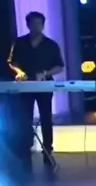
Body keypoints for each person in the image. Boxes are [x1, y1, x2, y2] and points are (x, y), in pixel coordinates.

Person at [10, 11, 65, 165]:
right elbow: (12, 62)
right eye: (33, 24)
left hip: (45, 85)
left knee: (46, 118)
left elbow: (59, 66)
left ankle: (47, 150)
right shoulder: (19, 43)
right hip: (25, 86)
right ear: (28, 25)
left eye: (39, 24)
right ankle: (26, 148)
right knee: (25, 118)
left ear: (43, 25)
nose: (36, 27)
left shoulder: (51, 45)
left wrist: (45, 73)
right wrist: (20, 72)